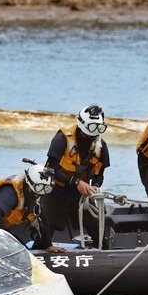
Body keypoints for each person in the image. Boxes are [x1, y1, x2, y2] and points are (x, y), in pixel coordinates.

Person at [41, 104, 110, 247]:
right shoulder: (62, 139)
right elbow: (51, 169)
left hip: (81, 196)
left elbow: (99, 175)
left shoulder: (101, 146)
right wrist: (76, 182)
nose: (92, 136)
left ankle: (103, 252)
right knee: (45, 233)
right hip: (55, 192)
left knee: (98, 230)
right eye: (89, 132)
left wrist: (95, 186)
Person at [0, 164, 67, 253]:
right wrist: (4, 244)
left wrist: (47, 245)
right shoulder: (10, 192)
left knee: (22, 250)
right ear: (28, 184)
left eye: (46, 189)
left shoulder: (37, 194)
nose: (39, 194)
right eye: (38, 188)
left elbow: (42, 217)